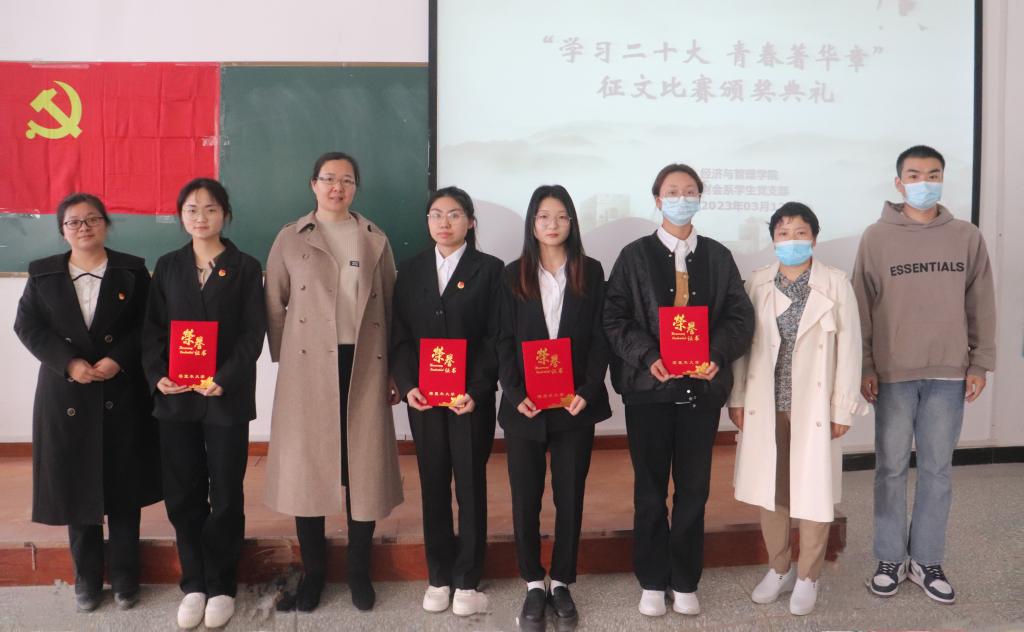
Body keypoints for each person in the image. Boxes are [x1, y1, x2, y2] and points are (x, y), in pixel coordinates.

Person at [603, 163, 754, 617]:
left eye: (690, 191)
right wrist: (648, 355)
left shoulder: (718, 256)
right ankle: (652, 579)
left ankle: (685, 579)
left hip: (701, 392)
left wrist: (718, 353)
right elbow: (614, 316)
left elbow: (739, 316)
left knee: (694, 489)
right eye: (673, 191)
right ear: (657, 199)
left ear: (700, 198)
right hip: (649, 391)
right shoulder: (634, 256)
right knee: (650, 490)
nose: (681, 198)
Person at [854, 145, 996, 604]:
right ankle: (890, 558)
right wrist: (866, 365)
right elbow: (861, 307)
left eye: (933, 175)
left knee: (937, 470)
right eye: (914, 175)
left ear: (942, 179)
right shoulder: (876, 237)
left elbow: (981, 302)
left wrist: (979, 362)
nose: (924, 183)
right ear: (899, 183)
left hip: (948, 374)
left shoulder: (966, 236)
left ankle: (927, 559)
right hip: (893, 374)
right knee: (890, 469)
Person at [264, 151, 403, 613]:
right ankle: (315, 574)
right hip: (309, 367)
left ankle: (359, 572)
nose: (337, 187)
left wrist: (393, 369)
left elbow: (391, 306)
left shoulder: (375, 238)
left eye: (346, 180)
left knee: (364, 471)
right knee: (309, 472)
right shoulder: (290, 237)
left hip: (364, 362)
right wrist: (288, 361)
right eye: (328, 179)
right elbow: (274, 303)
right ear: (313, 184)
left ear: (355, 187)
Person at [13, 193, 161, 613]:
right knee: (77, 488)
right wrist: (68, 363)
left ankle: (127, 578)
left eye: (92, 219)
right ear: (62, 230)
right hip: (67, 393)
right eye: (74, 222)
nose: (84, 228)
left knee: (125, 489)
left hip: (122, 389)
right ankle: (87, 578)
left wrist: (119, 359)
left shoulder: (131, 270)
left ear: (106, 224)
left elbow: (149, 323)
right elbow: (27, 326)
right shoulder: (43, 273)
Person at [728, 202, 869, 616]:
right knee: (771, 490)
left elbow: (851, 348)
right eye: (784, 233)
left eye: (801, 232)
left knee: (814, 489)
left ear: (815, 238)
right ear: (773, 239)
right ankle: (778, 567)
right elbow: (743, 349)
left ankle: (808, 575)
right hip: (765, 404)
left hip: (815, 408)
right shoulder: (757, 283)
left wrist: (843, 407)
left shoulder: (835, 284)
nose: (792, 240)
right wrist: (737, 398)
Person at [142, 178, 267, 629]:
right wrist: (158, 375)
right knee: (183, 492)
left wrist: (224, 379)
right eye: (192, 209)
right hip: (176, 399)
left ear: (225, 215)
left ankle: (222, 584)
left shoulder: (245, 266)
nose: (201, 217)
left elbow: (253, 333)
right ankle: (194, 583)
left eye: (210, 209)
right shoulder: (168, 266)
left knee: (226, 493)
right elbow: (153, 330)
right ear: (181, 216)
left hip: (224, 398)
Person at [497, 184, 611, 629]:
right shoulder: (512, 274)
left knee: (570, 496)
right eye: (544, 216)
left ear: (572, 222)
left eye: (562, 216)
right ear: (532, 223)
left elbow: (601, 336)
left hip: (573, 405)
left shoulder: (591, 271)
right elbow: (503, 339)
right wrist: (514, 392)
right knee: (525, 499)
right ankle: (532, 582)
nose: (553, 224)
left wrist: (589, 387)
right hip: (525, 406)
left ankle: (561, 580)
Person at [391, 186, 504, 616]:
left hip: (470, 399)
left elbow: (496, 337)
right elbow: (400, 335)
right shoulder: (410, 270)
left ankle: (468, 579)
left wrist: (477, 389)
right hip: (424, 399)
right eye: (436, 214)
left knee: (471, 485)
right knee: (433, 484)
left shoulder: (490, 270)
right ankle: (438, 575)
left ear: (470, 222)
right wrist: (408, 384)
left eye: (454, 214)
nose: (444, 222)